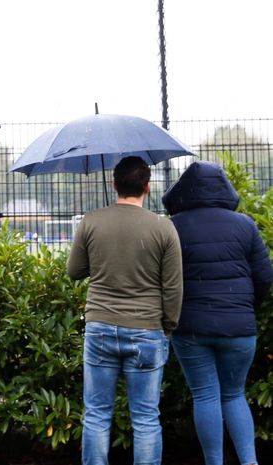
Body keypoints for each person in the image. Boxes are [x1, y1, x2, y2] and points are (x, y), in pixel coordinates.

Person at [67, 156, 183, 465]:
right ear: (147, 186)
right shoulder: (164, 227)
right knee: (145, 417)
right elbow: (173, 288)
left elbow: (74, 270)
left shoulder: (91, 220)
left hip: (100, 325)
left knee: (96, 414)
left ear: (114, 184)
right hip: (148, 330)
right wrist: (167, 327)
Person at [162, 161, 273, 465]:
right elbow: (264, 275)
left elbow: (162, 278)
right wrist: (245, 309)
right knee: (235, 394)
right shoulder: (245, 224)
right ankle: (249, 462)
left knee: (205, 396)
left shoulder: (173, 226)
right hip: (239, 328)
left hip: (190, 328)